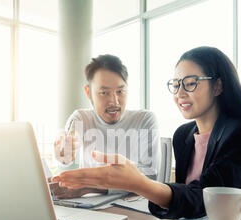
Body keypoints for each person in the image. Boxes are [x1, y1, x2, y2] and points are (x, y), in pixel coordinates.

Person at [52, 46, 241, 219]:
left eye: (190, 83)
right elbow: (185, 203)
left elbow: (205, 198)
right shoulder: (184, 136)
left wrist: (139, 184)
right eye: (176, 84)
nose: (180, 93)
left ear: (218, 85)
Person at [52, 54, 160, 199]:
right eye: (104, 93)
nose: (114, 102)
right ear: (88, 93)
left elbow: (150, 177)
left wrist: (89, 187)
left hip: (134, 206)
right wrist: (65, 152)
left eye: (120, 92)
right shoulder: (81, 118)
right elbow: (69, 146)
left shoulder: (145, 119)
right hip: (92, 207)